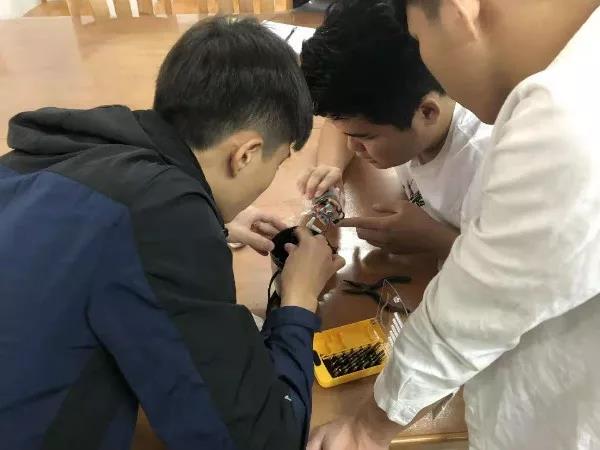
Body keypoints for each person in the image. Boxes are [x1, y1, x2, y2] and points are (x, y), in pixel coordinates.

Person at [0, 17, 345, 450]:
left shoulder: (57, 156)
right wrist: (298, 300)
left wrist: (205, 215)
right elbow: (261, 439)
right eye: (276, 164)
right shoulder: (161, 219)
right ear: (245, 154)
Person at [308, 0, 600, 449]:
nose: (426, 60)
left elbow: (477, 309)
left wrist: (368, 427)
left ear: (455, 11)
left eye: (419, 37)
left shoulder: (563, 121)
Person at [298, 0, 492, 259]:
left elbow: (517, 270)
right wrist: (330, 167)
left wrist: (436, 241)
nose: (352, 146)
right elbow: (341, 125)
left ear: (427, 113)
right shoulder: (403, 107)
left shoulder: (486, 168)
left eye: (364, 138)